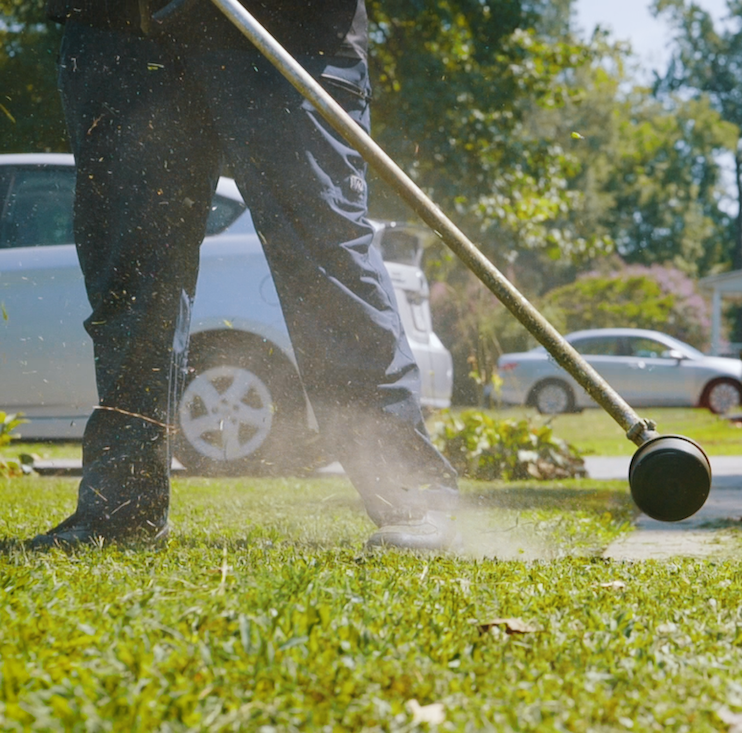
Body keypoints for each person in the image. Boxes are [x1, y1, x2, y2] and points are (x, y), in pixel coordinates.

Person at [30, 0, 461, 551]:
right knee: (131, 275)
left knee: (324, 264)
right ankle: (121, 510)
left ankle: (410, 493)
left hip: (285, 24)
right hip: (121, 30)